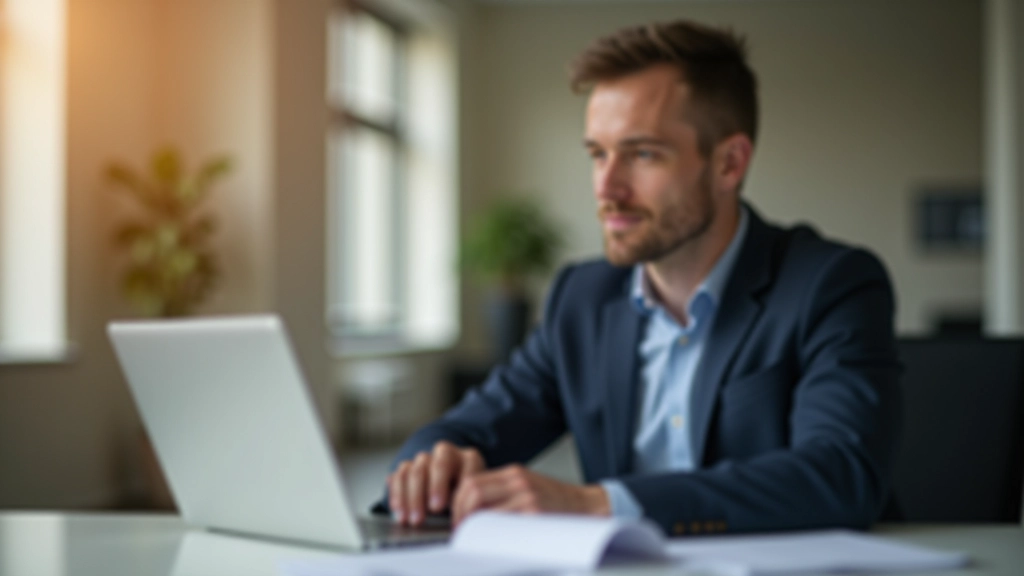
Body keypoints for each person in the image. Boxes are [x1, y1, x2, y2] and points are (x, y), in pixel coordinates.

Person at [380, 19, 902, 536]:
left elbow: (840, 475)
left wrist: (601, 504)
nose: (607, 188)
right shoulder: (581, 299)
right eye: (598, 154)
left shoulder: (831, 285)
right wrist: (429, 467)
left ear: (728, 164)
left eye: (642, 154)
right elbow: (466, 430)